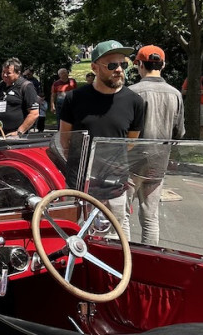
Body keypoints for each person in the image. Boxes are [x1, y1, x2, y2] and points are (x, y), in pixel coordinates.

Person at [59, 40, 146, 236]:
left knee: (116, 241)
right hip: (79, 186)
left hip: (115, 186)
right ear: (94, 67)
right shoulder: (74, 99)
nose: (119, 70)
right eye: (112, 65)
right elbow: (66, 140)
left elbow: (130, 143)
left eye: (123, 64)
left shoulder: (135, 102)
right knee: (74, 238)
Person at [126, 45, 185, 245]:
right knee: (150, 216)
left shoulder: (132, 92)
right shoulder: (175, 93)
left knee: (122, 215)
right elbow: (179, 132)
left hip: (131, 161)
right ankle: (148, 258)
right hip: (158, 161)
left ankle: (124, 259)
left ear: (140, 65)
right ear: (163, 65)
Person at [0, 58, 39, 137]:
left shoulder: (26, 86)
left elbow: (34, 113)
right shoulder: (1, 85)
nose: (5, 75)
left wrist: (19, 132)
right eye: (3, 72)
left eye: (8, 73)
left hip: (15, 136)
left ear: (18, 73)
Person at [182, 71, 203, 140]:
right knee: (189, 123)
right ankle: (189, 139)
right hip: (191, 104)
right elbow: (183, 91)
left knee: (202, 124)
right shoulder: (189, 79)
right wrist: (192, 92)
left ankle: (201, 140)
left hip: (202, 104)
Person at [23, 67, 46, 132]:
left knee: (33, 112)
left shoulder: (35, 81)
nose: (28, 75)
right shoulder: (23, 79)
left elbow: (38, 90)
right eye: (27, 74)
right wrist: (24, 74)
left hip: (33, 97)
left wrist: (39, 98)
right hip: (24, 97)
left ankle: (32, 125)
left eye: (29, 73)